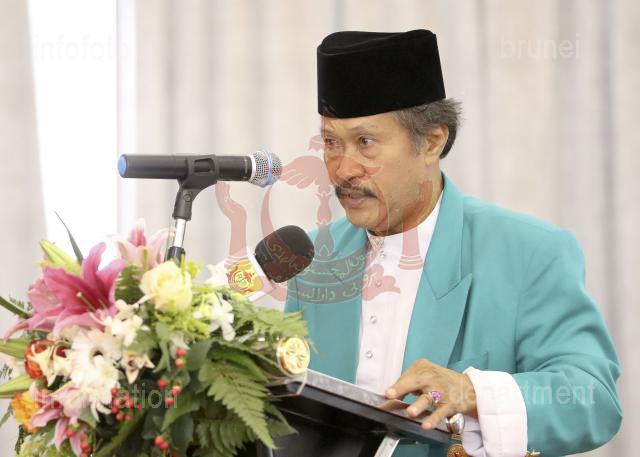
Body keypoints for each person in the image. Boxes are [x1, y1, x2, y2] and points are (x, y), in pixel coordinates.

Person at [285, 29, 622, 457]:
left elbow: (593, 399)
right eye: (332, 143)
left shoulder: (530, 252)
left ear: (432, 141)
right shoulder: (312, 258)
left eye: (365, 143)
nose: (342, 169)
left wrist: (472, 392)